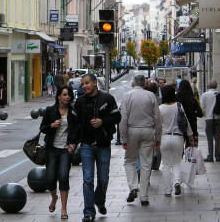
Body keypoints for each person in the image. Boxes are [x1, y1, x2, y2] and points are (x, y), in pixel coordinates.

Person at [69, 74, 121, 222]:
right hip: (86, 145)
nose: (84, 86)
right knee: (87, 179)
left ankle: (99, 200)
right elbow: (75, 125)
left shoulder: (107, 99)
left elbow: (117, 117)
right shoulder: (79, 102)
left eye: (87, 83)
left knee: (103, 178)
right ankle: (89, 211)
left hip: (103, 144)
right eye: (82, 84)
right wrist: (72, 142)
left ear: (94, 83)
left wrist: (102, 121)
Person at [120, 74, 162, 206]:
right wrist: (158, 136)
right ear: (145, 84)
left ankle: (133, 187)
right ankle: (144, 196)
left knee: (129, 160)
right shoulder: (151, 96)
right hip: (148, 130)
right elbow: (157, 118)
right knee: (146, 162)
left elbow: (123, 118)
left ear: (133, 83)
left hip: (132, 129)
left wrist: (124, 138)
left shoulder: (127, 96)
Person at [40, 86, 78, 220]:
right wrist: (51, 126)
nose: (67, 97)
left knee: (63, 176)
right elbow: (43, 128)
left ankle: (63, 209)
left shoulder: (73, 111)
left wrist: (73, 143)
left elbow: (76, 130)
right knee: (50, 178)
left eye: (69, 95)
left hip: (65, 150)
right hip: (51, 149)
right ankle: (54, 196)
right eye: (65, 95)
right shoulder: (50, 111)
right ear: (59, 97)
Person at [159, 85, 194, 197]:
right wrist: (190, 135)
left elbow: (157, 126)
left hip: (164, 138)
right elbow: (186, 121)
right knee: (177, 162)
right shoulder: (179, 106)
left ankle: (167, 190)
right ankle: (177, 182)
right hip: (178, 137)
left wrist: (155, 139)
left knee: (166, 165)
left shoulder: (160, 108)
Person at [177, 79, 203, 147]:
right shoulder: (193, 98)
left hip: (179, 125)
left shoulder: (176, 98)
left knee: (180, 149)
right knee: (191, 148)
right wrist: (193, 114)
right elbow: (201, 113)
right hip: (192, 125)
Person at [201, 80, 220, 162]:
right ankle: (218, 156)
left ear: (208, 86)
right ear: (216, 86)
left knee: (209, 138)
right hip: (218, 118)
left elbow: (202, 107)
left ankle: (210, 156)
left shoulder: (205, 95)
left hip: (209, 118)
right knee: (217, 138)